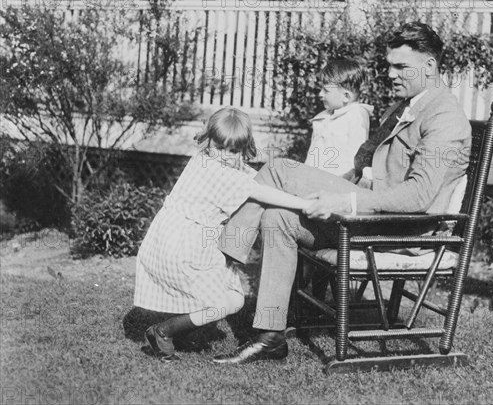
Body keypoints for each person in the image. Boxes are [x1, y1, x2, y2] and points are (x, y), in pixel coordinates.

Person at [213, 22, 472, 365]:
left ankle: (219, 264)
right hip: (371, 215)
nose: (390, 74)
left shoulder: (445, 118)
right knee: (278, 217)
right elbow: (364, 160)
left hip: (401, 228)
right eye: (389, 65)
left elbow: (419, 197)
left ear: (430, 67)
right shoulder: (407, 106)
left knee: (279, 170)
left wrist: (345, 201)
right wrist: (335, 186)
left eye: (400, 67)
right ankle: (270, 336)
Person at [133, 106, 311, 362]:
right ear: (209, 142)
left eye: (234, 151)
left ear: (242, 149)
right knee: (218, 304)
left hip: (177, 236)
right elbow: (259, 190)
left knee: (233, 300)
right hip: (183, 244)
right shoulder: (218, 171)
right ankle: (162, 332)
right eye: (221, 148)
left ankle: (176, 327)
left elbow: (250, 169)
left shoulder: (203, 158)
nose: (226, 156)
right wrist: (305, 204)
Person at [304, 59, 373, 176]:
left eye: (326, 91)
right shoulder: (324, 117)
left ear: (346, 96)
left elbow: (356, 156)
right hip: (311, 177)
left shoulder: (356, 115)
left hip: (336, 181)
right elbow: (312, 153)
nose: (320, 94)